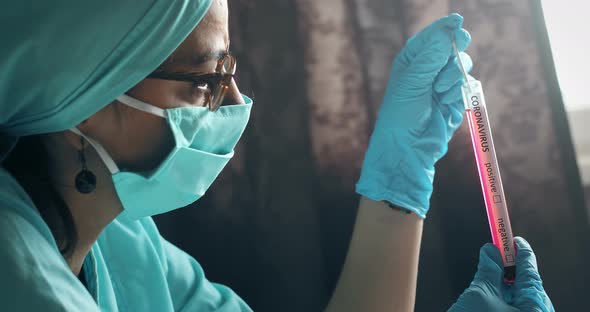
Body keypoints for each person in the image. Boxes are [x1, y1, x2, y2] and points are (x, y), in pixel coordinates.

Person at [0, 0, 553, 311]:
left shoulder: (121, 241)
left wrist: (400, 182)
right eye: (203, 82)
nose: (236, 103)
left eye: (230, 72)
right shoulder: (19, 277)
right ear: (79, 102)